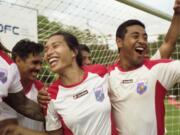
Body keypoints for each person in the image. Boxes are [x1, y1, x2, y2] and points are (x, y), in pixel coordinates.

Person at [2, 31, 116, 135]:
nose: (49, 53)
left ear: (74, 51)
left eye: (55, 46)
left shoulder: (100, 72)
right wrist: (20, 131)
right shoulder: (49, 96)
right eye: (46, 50)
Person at [108, 1, 180, 134]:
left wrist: (177, 14)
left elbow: (168, 43)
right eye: (135, 36)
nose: (142, 40)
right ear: (119, 42)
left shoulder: (156, 69)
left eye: (145, 37)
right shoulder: (106, 76)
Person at [0, 41, 44, 134]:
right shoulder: (6, 90)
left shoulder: (42, 90)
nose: (39, 68)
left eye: (41, 63)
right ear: (18, 60)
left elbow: (23, 104)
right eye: (35, 62)